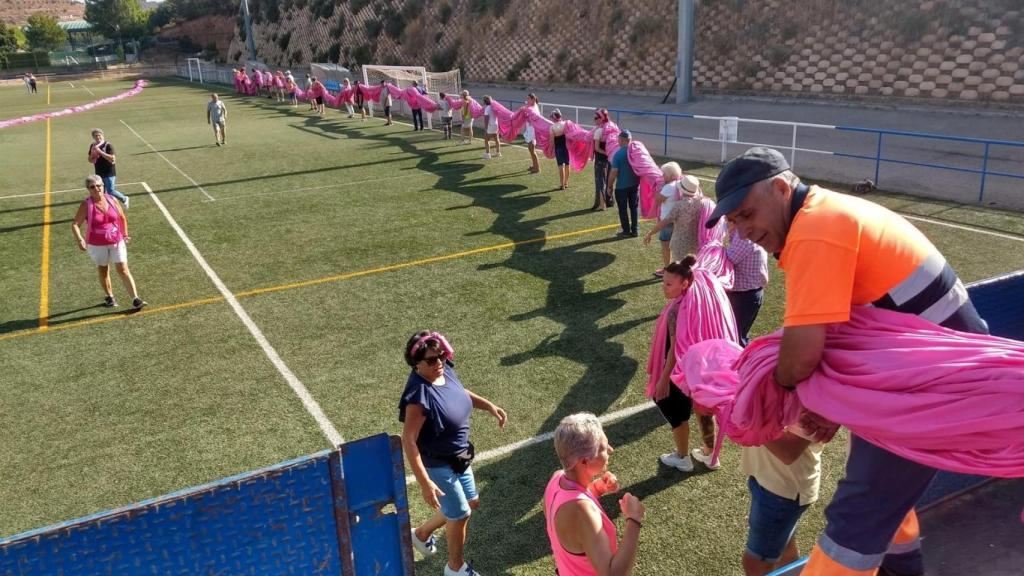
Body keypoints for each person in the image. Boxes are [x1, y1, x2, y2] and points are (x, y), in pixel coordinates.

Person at [707, 146, 989, 576]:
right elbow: (846, 329)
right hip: (918, 379)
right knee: (886, 505)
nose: (741, 231)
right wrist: (821, 407)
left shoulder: (815, 229)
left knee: (857, 516)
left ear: (781, 189)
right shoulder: (822, 214)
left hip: (930, 386)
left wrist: (770, 398)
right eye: (732, 223)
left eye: (746, 214)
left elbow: (800, 358)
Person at [400, 331, 507, 576]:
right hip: (437, 464)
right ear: (416, 363)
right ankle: (455, 568)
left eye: (441, 356)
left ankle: (421, 534)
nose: (439, 362)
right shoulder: (418, 395)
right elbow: (409, 440)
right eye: (431, 360)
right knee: (460, 513)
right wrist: (424, 482)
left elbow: (459, 391)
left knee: (471, 501)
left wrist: (488, 405)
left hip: (459, 456)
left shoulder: (443, 369)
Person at [545, 413, 644, 576]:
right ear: (584, 461)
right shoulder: (582, 511)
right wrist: (634, 518)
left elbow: (567, 519)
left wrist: (597, 488)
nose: (611, 450)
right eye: (603, 448)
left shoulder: (556, 480)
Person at [645, 257, 718, 472]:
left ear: (684, 284)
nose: (664, 287)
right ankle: (709, 453)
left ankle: (682, 457)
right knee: (703, 409)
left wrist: (664, 378)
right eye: (663, 282)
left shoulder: (677, 310)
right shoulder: (699, 299)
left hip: (680, 372)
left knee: (674, 411)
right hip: (699, 367)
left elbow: (674, 348)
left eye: (669, 284)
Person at [739, 434, 823, 576]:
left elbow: (789, 451)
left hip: (782, 490)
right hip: (770, 479)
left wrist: (745, 421)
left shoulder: (814, 410)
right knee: (785, 554)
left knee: (755, 565)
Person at [71, 175, 147, 310]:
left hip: (116, 240)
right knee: (104, 270)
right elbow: (75, 224)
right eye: (92, 187)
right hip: (96, 244)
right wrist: (79, 239)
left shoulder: (112, 199)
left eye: (99, 185)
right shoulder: (86, 205)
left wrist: (125, 234)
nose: (96, 189)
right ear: (88, 189)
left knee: (123, 269)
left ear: (103, 186)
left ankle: (135, 298)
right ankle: (109, 296)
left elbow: (122, 217)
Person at [643, 174, 703, 277]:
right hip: (696, 241)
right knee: (692, 268)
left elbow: (664, 222)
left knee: (682, 270)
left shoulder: (679, 205)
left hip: (680, 243)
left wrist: (650, 233)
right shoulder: (702, 203)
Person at [725, 227, 769, 347]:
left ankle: (742, 363)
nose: (723, 221)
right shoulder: (739, 232)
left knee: (736, 337)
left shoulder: (743, 236)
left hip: (745, 296)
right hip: (743, 293)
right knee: (734, 334)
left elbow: (727, 260)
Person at [607, 131, 639, 238]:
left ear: (621, 140)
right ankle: (635, 230)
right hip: (634, 185)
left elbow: (613, 173)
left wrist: (609, 185)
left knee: (623, 209)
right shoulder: (636, 152)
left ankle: (626, 231)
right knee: (634, 208)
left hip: (622, 187)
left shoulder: (618, 155)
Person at [88, 129, 129, 209]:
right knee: (102, 191)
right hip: (99, 172)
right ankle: (106, 207)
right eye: (96, 136)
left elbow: (112, 159)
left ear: (102, 136)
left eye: (99, 135)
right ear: (93, 137)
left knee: (110, 190)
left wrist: (100, 152)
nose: (98, 137)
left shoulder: (108, 145)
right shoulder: (92, 146)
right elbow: (89, 160)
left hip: (109, 172)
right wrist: (93, 156)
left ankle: (124, 198)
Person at [591, 109, 613, 210]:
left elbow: (596, 148)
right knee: (609, 181)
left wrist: (605, 153)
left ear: (601, 118)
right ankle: (609, 201)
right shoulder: (611, 128)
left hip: (601, 160)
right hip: (610, 160)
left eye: (596, 118)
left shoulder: (599, 131)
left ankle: (602, 205)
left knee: (600, 182)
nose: (594, 120)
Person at [549, 110, 570, 190]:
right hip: (566, 147)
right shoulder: (565, 124)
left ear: (554, 118)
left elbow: (552, 140)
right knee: (567, 164)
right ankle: (566, 182)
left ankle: (562, 184)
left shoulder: (552, 127)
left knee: (560, 166)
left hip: (558, 148)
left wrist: (550, 149)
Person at [523, 93, 541, 173]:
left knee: (532, 149)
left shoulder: (533, 108)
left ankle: (537, 168)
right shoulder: (533, 107)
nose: (527, 100)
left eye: (528, 99)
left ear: (533, 100)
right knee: (531, 149)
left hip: (532, 131)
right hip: (530, 130)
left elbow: (532, 120)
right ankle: (534, 166)